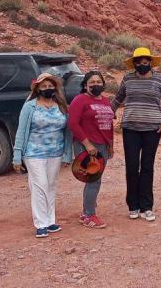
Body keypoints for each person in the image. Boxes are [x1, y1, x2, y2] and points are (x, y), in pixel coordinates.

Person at [111, 47, 161, 222]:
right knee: (131, 167)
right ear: (134, 63)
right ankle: (133, 205)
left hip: (153, 128)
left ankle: (147, 206)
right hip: (130, 127)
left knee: (147, 167)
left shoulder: (160, 79)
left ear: (151, 62)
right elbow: (117, 98)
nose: (142, 64)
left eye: (146, 61)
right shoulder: (128, 78)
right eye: (139, 61)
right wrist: (109, 113)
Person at [12, 73, 73, 238]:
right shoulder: (30, 106)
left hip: (56, 152)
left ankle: (51, 220)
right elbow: (21, 131)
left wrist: (68, 154)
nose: (48, 88)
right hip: (33, 153)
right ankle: (41, 224)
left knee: (51, 185)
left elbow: (67, 132)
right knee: (40, 185)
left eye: (50, 85)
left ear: (55, 87)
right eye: (44, 86)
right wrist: (17, 156)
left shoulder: (60, 106)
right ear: (38, 88)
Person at [68, 71, 115, 229]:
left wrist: (111, 144)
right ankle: (89, 215)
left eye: (98, 81)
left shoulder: (106, 101)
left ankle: (86, 212)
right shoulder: (80, 100)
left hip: (102, 145)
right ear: (85, 85)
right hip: (88, 145)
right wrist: (87, 144)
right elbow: (73, 123)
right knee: (93, 180)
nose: (96, 84)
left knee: (95, 179)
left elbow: (109, 124)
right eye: (92, 82)